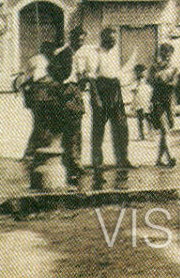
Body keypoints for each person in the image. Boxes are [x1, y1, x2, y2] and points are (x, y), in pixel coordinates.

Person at [48, 27, 88, 179]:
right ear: (71, 39)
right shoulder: (63, 54)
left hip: (76, 91)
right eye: (78, 40)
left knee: (77, 129)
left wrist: (82, 80)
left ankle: (76, 161)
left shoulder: (80, 54)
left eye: (82, 40)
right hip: (66, 91)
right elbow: (53, 71)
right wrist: (62, 83)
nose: (80, 42)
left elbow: (80, 75)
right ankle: (70, 164)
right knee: (70, 129)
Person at [91, 27, 132, 168]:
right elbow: (92, 78)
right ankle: (97, 160)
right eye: (110, 39)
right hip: (101, 88)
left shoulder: (115, 53)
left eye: (115, 39)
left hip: (115, 89)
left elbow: (118, 74)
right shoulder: (96, 53)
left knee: (121, 126)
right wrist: (96, 98)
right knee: (99, 127)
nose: (114, 42)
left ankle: (122, 159)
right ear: (103, 38)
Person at [150, 43, 178, 167]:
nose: (167, 56)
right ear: (160, 54)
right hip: (158, 100)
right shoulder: (155, 67)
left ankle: (159, 159)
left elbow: (174, 83)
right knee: (164, 128)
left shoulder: (174, 68)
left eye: (169, 53)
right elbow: (151, 81)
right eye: (164, 53)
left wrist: (163, 80)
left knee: (166, 129)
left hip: (170, 100)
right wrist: (164, 79)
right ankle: (170, 157)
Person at [129, 63, 152, 140]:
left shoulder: (148, 81)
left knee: (148, 118)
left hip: (146, 100)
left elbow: (151, 89)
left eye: (144, 72)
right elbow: (133, 90)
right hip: (139, 101)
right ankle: (141, 134)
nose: (143, 73)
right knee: (140, 118)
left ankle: (150, 133)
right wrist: (137, 86)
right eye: (141, 72)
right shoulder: (135, 82)